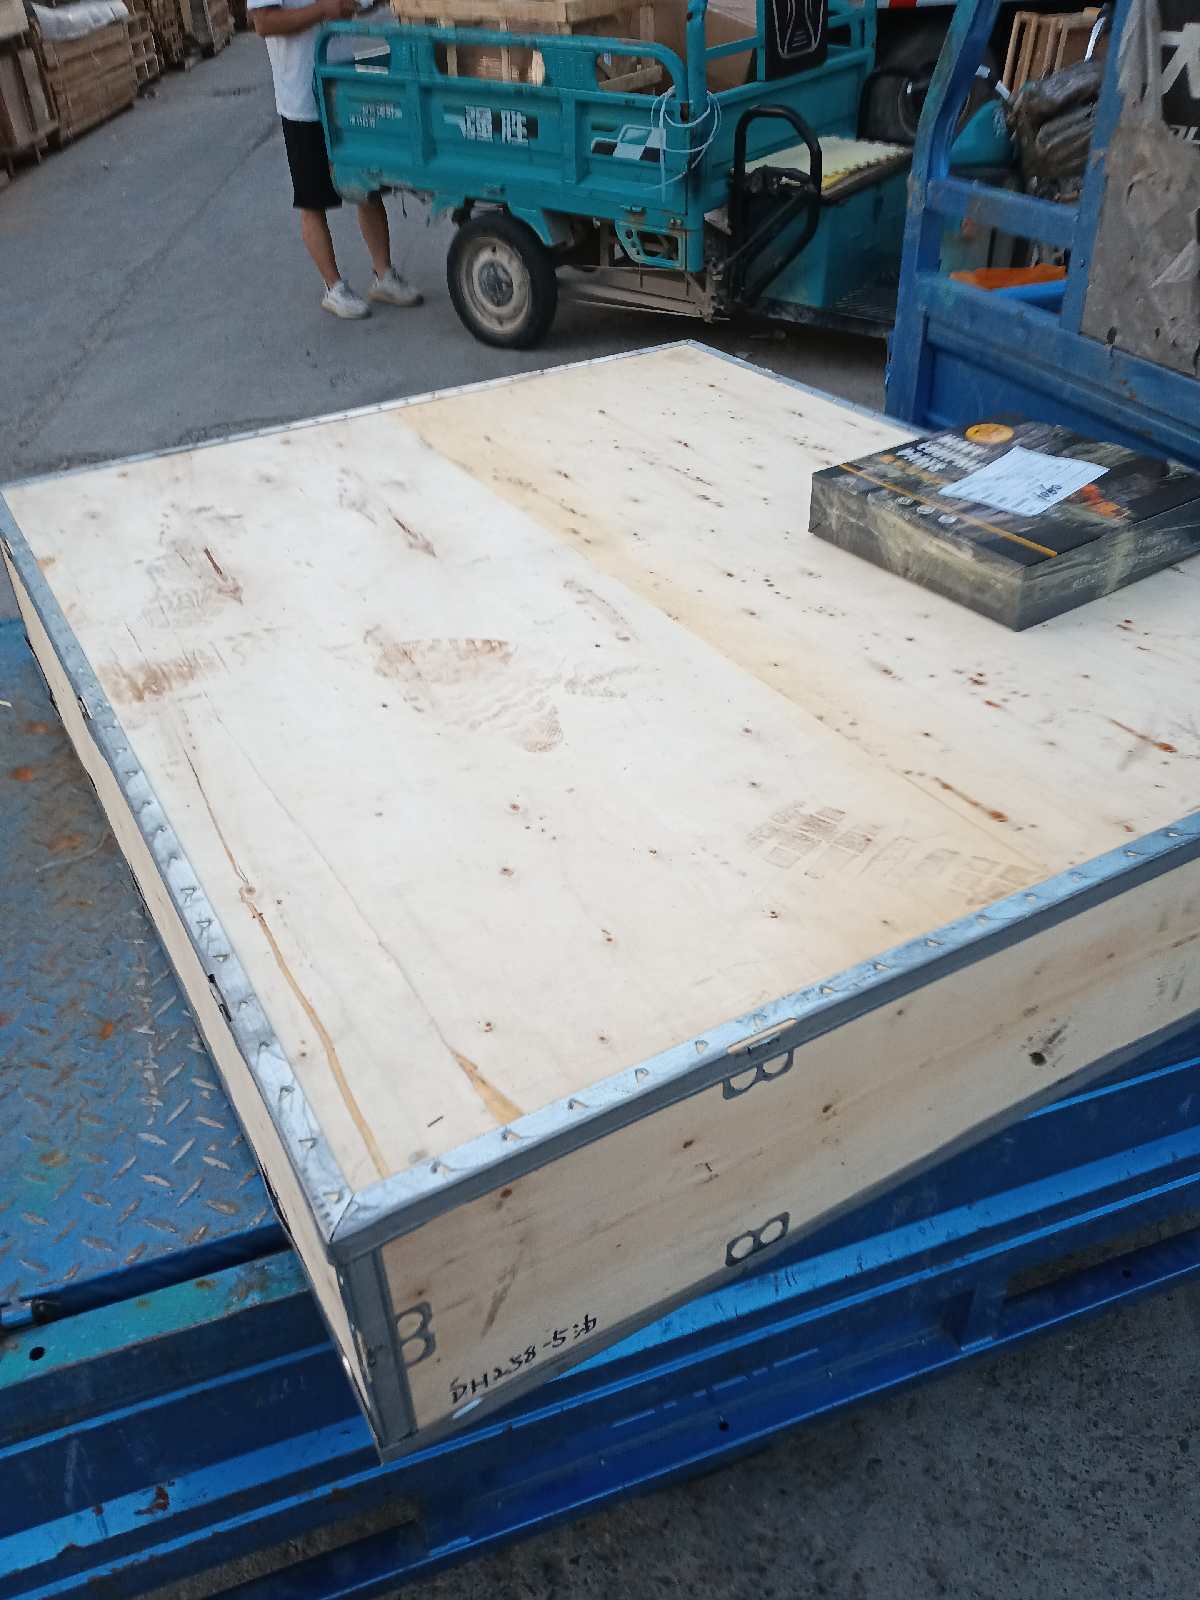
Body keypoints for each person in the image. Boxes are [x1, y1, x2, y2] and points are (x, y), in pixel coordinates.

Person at [249, 0, 422, 319]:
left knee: (365, 184)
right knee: (312, 198)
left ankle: (383, 274)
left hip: (343, 86)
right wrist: (323, 9)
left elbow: (357, 5)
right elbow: (264, 22)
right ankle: (334, 287)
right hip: (302, 98)